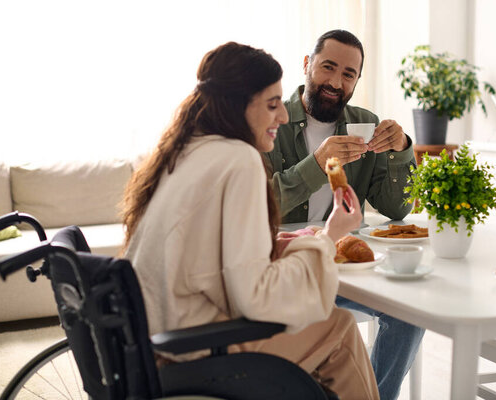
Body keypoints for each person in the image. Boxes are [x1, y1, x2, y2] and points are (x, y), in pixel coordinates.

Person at [120, 41, 379, 399]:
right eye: (273, 105)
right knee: (340, 328)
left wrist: (284, 243)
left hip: (154, 337)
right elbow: (256, 297)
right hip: (197, 347)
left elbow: (207, 249)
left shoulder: (186, 150)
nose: (284, 116)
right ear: (237, 104)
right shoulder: (240, 159)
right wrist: (330, 235)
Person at [264, 30, 424, 399]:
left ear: (356, 80)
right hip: (291, 267)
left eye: (348, 74)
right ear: (307, 65)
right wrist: (317, 163)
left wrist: (401, 149)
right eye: (327, 67)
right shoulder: (273, 121)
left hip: (350, 265)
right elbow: (262, 205)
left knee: (408, 312)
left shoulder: (364, 122)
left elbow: (397, 208)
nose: (335, 82)